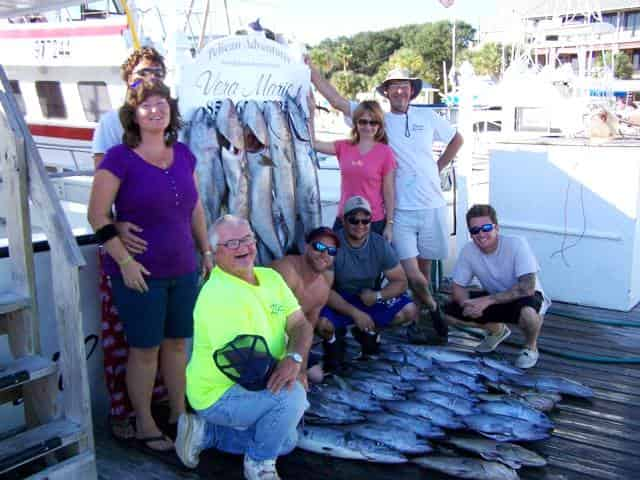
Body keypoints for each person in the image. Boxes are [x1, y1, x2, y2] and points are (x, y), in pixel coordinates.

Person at [88, 80, 213, 452]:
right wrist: (124, 261)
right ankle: (144, 422)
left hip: (183, 268)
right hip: (139, 273)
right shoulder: (118, 158)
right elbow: (97, 215)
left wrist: (205, 252)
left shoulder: (185, 154)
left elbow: (196, 208)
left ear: (171, 111)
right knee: (144, 350)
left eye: (162, 104)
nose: (155, 110)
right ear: (133, 114)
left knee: (177, 344)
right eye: (146, 105)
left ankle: (178, 414)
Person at [309, 63, 464, 343]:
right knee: (412, 274)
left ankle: (418, 318)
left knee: (423, 271)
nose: (400, 90)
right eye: (394, 86)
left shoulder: (429, 118)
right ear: (387, 92)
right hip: (400, 210)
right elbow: (336, 101)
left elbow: (457, 139)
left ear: (412, 91)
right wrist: (309, 71)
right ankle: (430, 309)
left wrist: (437, 167)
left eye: (404, 85)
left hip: (431, 205)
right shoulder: (380, 120)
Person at [175, 215, 312, 480]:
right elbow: (252, 370)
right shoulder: (218, 295)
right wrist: (291, 378)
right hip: (218, 393)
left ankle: (207, 433)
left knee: (286, 440)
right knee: (292, 398)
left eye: (248, 239)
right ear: (215, 253)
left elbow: (300, 324)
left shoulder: (270, 277)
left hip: (255, 378)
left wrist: (295, 360)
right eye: (232, 243)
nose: (244, 248)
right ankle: (259, 465)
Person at [91, 46, 168, 441]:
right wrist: (117, 226)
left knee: (161, 337)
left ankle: (156, 406)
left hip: (166, 251)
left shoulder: (168, 123)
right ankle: (122, 413)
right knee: (123, 337)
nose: (148, 77)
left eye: (155, 70)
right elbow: (99, 192)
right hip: (127, 251)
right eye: (140, 73)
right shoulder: (109, 123)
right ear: (127, 80)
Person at [443, 204, 550, 369]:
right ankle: (497, 331)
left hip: (525, 297)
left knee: (528, 315)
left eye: (486, 228)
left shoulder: (517, 244)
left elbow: (527, 287)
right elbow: (458, 287)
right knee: (449, 313)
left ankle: (531, 347)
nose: (481, 234)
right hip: (494, 298)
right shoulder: (468, 250)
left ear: (497, 227)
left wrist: (487, 301)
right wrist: (468, 305)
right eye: (475, 230)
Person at [319, 196, 417, 366]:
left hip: (368, 297)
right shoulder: (333, 245)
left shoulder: (379, 244)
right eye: (354, 220)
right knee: (322, 324)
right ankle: (333, 343)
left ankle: (369, 331)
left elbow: (401, 282)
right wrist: (356, 313)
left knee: (409, 310)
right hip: (339, 298)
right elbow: (324, 290)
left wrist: (378, 295)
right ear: (343, 220)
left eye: (366, 220)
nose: (360, 225)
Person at [311, 100, 396, 240]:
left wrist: (389, 224)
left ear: (379, 125)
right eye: (363, 122)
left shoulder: (385, 152)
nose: (368, 126)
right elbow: (313, 143)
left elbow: (389, 192)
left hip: (373, 221)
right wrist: (311, 111)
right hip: (345, 218)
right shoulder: (343, 146)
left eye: (373, 122)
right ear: (356, 123)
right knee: (335, 260)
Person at [270, 226, 340, 382]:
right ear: (307, 246)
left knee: (315, 376)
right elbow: (268, 318)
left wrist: (301, 369)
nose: (325, 254)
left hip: (287, 340)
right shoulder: (286, 271)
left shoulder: (322, 287)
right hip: (261, 338)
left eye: (331, 251)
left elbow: (307, 328)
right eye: (319, 247)